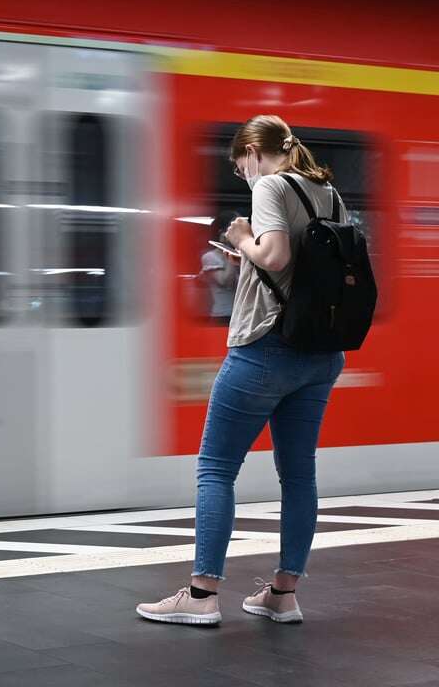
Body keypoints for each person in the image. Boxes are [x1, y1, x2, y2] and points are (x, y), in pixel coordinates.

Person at [137, 115, 347, 626]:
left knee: (216, 468)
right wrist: (248, 256)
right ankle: (283, 593)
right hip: (320, 354)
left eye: (239, 166)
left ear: (253, 152)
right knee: (298, 474)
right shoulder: (330, 193)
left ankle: (202, 594)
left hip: (265, 348)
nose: (242, 175)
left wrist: (243, 235)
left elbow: (274, 256)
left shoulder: (271, 184)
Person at [197, 211, 239, 322]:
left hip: (240, 316)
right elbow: (226, 281)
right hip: (223, 316)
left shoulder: (242, 255)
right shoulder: (210, 257)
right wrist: (229, 248)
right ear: (223, 232)